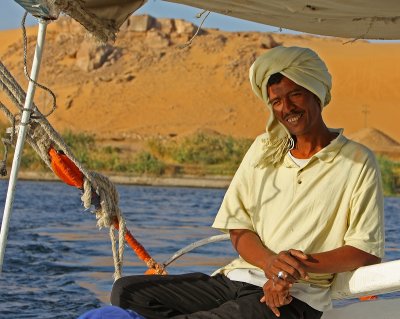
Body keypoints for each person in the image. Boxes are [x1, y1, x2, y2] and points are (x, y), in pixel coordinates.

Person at [110, 46, 384, 319]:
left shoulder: (357, 161)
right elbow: (239, 227)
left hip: (297, 295)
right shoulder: (263, 149)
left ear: (317, 93)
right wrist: (270, 263)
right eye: (276, 101)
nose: (287, 108)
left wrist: (289, 270)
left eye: (295, 95)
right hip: (238, 278)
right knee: (127, 293)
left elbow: (364, 250)